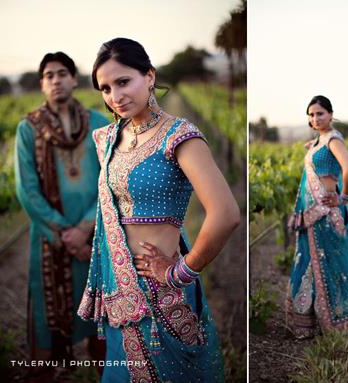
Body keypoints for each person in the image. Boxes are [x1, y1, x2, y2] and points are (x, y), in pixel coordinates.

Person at [77, 37, 240, 382]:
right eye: (105, 88)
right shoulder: (106, 140)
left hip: (162, 291)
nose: (115, 96)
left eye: (124, 81)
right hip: (118, 290)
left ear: (149, 76)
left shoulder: (180, 136)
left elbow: (226, 213)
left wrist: (180, 271)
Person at [14, 52, 108, 378]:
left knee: (102, 328)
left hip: (96, 240)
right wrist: (65, 235)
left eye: (62, 73)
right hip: (50, 242)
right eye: (49, 75)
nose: (56, 80)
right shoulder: (28, 129)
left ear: (74, 79)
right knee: (48, 334)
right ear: (42, 84)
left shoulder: (99, 124)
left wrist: (84, 229)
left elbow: (110, 182)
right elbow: (26, 190)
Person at [286, 95, 348, 339]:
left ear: (331, 114)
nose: (315, 118)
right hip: (314, 214)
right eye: (311, 115)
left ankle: (340, 321)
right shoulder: (320, 140)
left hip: (325, 212)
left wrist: (343, 198)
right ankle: (312, 320)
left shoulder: (333, 139)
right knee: (312, 262)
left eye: (320, 113)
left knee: (329, 263)